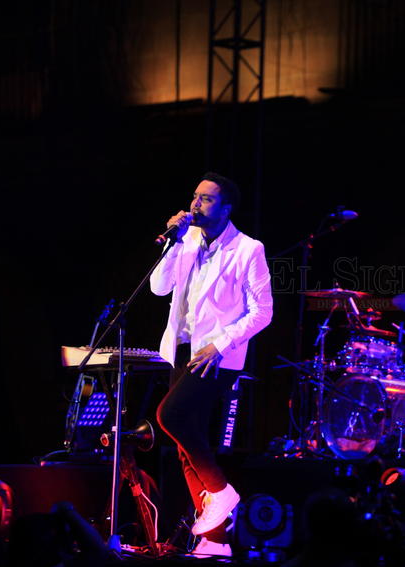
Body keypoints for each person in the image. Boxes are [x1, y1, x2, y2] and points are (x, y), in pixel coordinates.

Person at [150, 172, 273, 557]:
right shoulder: (185, 239)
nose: (195, 204)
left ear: (226, 208)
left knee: (170, 416)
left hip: (216, 356)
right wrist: (172, 244)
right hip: (181, 349)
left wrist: (221, 344)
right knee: (188, 444)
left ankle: (221, 492)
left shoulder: (248, 249)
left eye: (206, 199)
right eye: (195, 196)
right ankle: (215, 540)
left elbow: (263, 311)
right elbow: (158, 288)